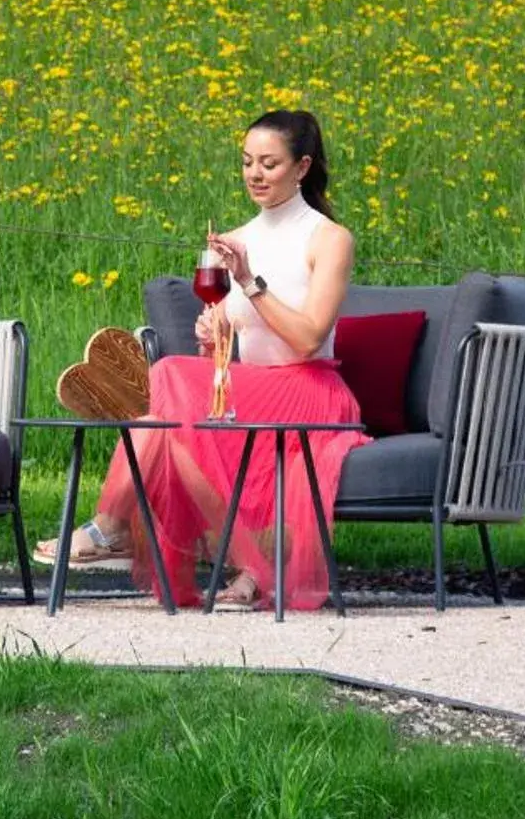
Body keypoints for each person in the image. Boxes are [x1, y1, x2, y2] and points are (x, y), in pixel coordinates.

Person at [36, 109, 370, 610]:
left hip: (309, 392)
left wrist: (251, 285)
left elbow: (306, 338)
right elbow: (230, 350)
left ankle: (111, 526)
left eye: (269, 164)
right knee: (156, 425)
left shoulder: (329, 239)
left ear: (302, 168)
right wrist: (212, 335)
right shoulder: (235, 239)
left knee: (167, 374)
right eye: (246, 163)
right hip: (252, 392)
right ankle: (236, 556)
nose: (255, 174)